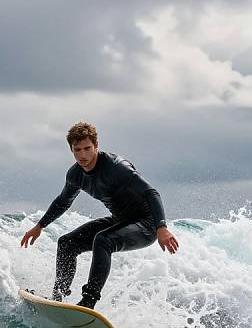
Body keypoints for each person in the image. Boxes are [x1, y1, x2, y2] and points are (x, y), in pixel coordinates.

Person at [20, 122, 179, 309]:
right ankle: (58, 297)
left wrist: (162, 227)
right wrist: (40, 226)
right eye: (77, 150)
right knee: (67, 244)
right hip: (120, 220)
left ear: (96, 145)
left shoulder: (117, 167)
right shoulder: (75, 174)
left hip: (146, 224)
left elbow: (150, 192)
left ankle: (89, 301)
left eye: (87, 148)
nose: (82, 155)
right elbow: (63, 201)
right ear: (71, 149)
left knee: (103, 240)